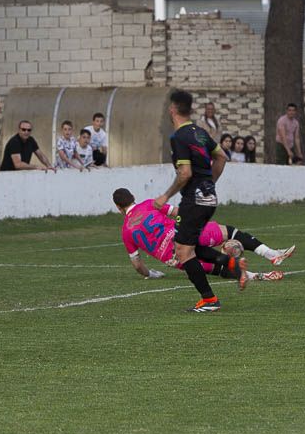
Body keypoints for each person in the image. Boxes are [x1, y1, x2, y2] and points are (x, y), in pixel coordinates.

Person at [114, 188, 294, 284]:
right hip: (185, 234)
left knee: (217, 269)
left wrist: (150, 274)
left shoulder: (126, 231)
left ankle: (255, 276)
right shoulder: (148, 204)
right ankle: (272, 255)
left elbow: (137, 264)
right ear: (133, 197)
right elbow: (176, 211)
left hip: (175, 257)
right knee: (229, 232)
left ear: (118, 207)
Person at [153, 89, 227, 313]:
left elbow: (184, 173)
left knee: (184, 253)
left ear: (172, 109)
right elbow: (221, 156)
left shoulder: (179, 137)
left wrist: (165, 196)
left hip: (194, 200)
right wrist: (209, 183)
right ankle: (231, 264)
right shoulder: (200, 132)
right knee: (191, 246)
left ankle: (209, 299)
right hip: (209, 197)